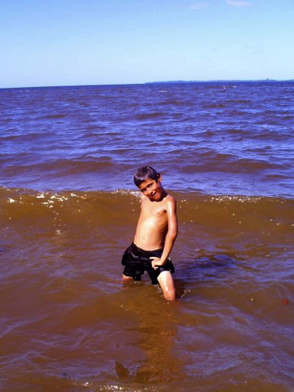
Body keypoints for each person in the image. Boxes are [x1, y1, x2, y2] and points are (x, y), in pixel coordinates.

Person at [121, 166, 178, 301]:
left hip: (155, 255)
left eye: (150, 185)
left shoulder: (168, 201)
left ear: (159, 177)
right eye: (144, 189)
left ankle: (177, 318)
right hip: (135, 251)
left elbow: (173, 232)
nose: (149, 191)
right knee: (126, 282)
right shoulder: (144, 197)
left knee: (170, 295)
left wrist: (163, 259)